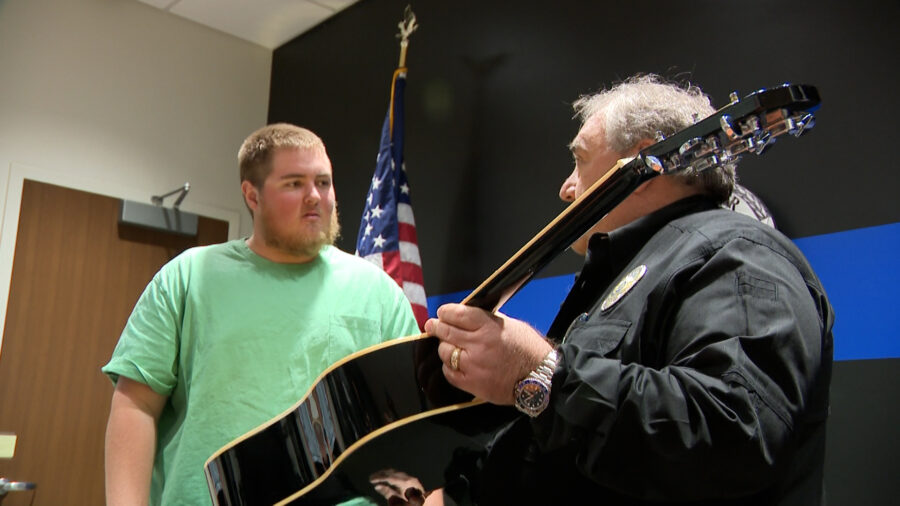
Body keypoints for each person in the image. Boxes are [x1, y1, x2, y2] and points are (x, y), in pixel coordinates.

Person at [425, 74, 834, 505]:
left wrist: (542, 373)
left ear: (640, 162)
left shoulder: (741, 254)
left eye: (580, 161)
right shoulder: (633, 271)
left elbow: (735, 431)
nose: (566, 188)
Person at [102, 123, 421, 505]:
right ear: (251, 195)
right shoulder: (187, 278)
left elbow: (411, 426)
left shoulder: (379, 293)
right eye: (294, 184)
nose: (315, 197)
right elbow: (135, 406)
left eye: (323, 182)